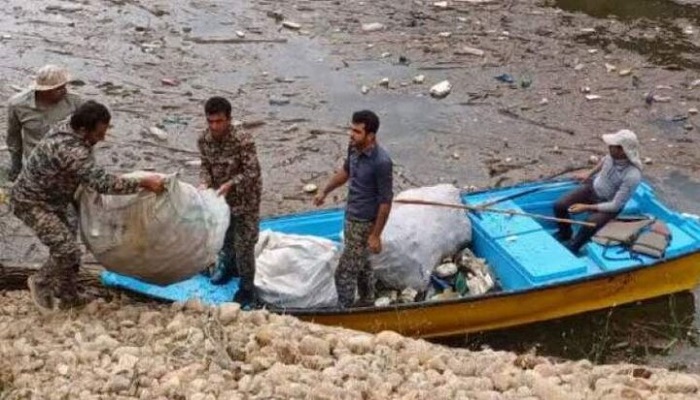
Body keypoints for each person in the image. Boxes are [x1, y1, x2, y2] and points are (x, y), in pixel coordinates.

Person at [11, 101, 166, 311]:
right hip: (31, 202)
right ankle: (40, 282)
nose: (102, 138)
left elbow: (92, 175)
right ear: (83, 130)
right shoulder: (72, 150)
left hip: (57, 197)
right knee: (67, 250)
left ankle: (68, 294)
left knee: (69, 241)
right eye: (99, 133)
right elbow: (103, 184)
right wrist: (142, 182)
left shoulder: (70, 127)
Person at [314, 110, 393, 308]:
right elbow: (346, 172)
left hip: (365, 223)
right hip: (351, 217)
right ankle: (367, 301)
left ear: (371, 136)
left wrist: (376, 235)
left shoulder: (381, 163)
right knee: (363, 264)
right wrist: (325, 191)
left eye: (357, 132)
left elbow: (385, 202)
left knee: (345, 271)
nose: (351, 134)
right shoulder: (354, 148)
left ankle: (345, 310)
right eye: (351, 129)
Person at [197, 97, 262, 306]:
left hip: (246, 199)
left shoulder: (243, 139)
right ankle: (227, 269)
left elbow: (252, 172)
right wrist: (205, 182)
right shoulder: (204, 140)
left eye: (219, 121)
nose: (215, 126)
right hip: (221, 201)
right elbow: (205, 165)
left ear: (229, 119)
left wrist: (231, 184)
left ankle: (246, 289)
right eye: (211, 122)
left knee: (244, 246)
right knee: (224, 239)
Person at [553, 129, 643, 254]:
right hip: (592, 188)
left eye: (613, 146)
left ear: (622, 150)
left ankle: (574, 246)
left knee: (590, 223)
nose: (609, 147)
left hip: (608, 203)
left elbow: (615, 205)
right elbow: (603, 162)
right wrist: (588, 174)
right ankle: (565, 234)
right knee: (559, 205)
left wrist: (586, 207)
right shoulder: (611, 156)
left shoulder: (632, 175)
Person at [6, 65, 83, 181]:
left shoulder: (75, 102)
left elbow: (87, 134)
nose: (64, 91)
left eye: (64, 86)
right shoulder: (18, 105)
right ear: (43, 90)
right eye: (58, 89)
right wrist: (16, 166)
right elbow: (13, 138)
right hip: (35, 166)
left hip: (66, 164)